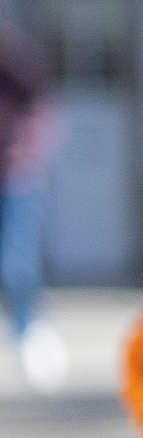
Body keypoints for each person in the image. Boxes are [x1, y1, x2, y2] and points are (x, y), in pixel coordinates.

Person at [0, 22, 63, 391]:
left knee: (16, 263)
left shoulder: (18, 67)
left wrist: (23, 151)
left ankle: (28, 331)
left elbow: (41, 112)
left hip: (14, 177)